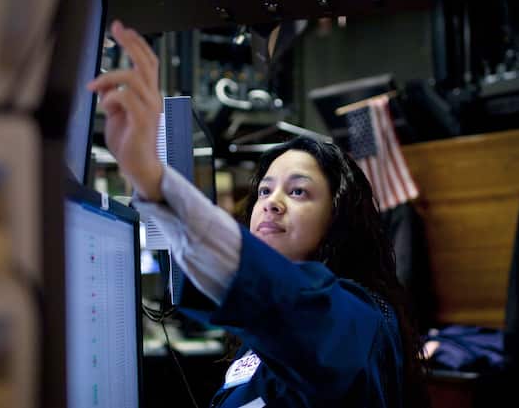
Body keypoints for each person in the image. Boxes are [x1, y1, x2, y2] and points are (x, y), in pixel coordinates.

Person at [88, 20, 427, 407]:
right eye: (265, 190)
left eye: (298, 191)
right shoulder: (260, 339)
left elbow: (285, 297)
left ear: (339, 217)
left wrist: (154, 180)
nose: (272, 202)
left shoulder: (359, 321)